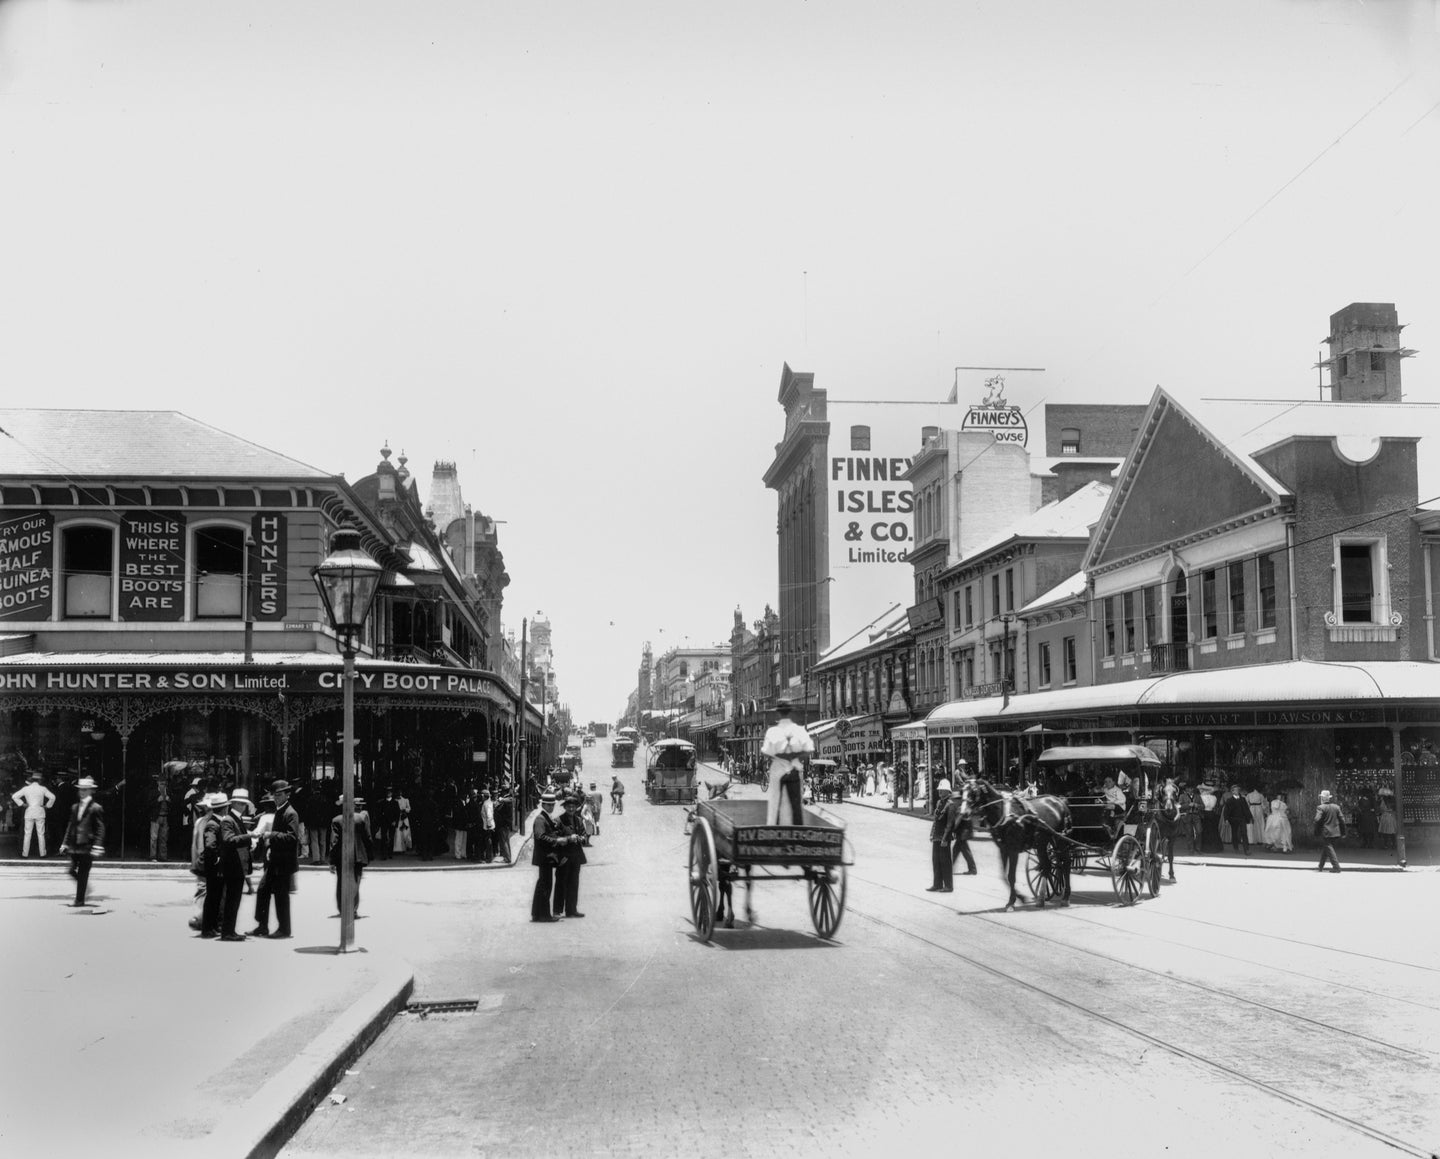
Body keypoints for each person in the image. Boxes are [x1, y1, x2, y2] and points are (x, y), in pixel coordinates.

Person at [251, 779, 304, 939]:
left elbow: (292, 837)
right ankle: (262, 925)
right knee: (263, 890)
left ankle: (284, 929)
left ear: (287, 795)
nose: (276, 797)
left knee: (281, 895)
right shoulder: (280, 811)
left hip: (284, 862)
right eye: (274, 795)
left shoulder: (290, 813)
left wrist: (270, 835)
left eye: (279, 794)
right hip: (275, 859)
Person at [762, 697, 814, 826]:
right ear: (791, 712)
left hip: (778, 769)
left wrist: (780, 756)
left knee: (775, 802)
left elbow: (765, 752)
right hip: (795, 768)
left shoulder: (772, 731)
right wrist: (794, 757)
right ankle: (798, 831)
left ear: (778, 713)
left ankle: (775, 829)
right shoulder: (800, 730)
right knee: (796, 804)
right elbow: (809, 749)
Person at [59, 776, 105, 907]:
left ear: (91, 791)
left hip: (87, 846)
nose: (82, 792)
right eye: (80, 790)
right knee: (70, 870)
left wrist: (97, 845)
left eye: (85, 790)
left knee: (83, 873)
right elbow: (70, 826)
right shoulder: (75, 807)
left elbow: (100, 828)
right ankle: (85, 889)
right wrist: (64, 843)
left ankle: (79, 900)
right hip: (74, 845)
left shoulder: (96, 808)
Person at [215, 792, 254, 940]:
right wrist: (249, 837)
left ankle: (230, 930)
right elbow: (228, 840)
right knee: (232, 900)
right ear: (235, 804)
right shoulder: (229, 820)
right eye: (241, 803)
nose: (243, 806)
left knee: (235, 900)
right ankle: (227, 932)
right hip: (233, 866)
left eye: (244, 804)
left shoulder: (235, 819)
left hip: (237, 865)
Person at [329, 795, 374, 917]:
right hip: (358, 855)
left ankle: (342, 909)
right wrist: (369, 854)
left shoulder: (336, 820)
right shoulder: (360, 818)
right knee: (355, 882)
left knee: (341, 882)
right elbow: (367, 838)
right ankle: (352, 909)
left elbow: (334, 842)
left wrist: (331, 861)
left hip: (341, 857)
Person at [530, 789, 568, 922]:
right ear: (543, 805)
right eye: (548, 805)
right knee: (545, 885)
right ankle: (544, 915)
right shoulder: (540, 819)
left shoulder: (546, 817)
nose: (551, 807)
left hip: (546, 857)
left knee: (543, 884)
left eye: (552, 805)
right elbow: (540, 837)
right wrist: (557, 840)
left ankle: (537, 913)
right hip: (544, 857)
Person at [188, 792, 224, 932]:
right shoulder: (209, 822)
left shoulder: (202, 821)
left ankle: (207, 920)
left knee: (208, 892)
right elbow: (198, 845)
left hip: (203, 861)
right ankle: (206, 920)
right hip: (208, 861)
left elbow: (195, 846)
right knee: (210, 893)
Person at [554, 792, 588, 918]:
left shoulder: (578, 820)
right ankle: (557, 910)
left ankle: (571, 910)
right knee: (561, 884)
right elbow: (555, 839)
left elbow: (584, 835)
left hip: (576, 857)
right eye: (569, 806)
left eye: (573, 806)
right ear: (565, 807)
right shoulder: (558, 821)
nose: (571, 809)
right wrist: (569, 838)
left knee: (574, 884)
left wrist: (582, 838)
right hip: (563, 858)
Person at [12, 771, 55, 859]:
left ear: (32, 779)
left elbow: (14, 796)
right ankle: (42, 853)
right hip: (40, 812)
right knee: (41, 834)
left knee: (27, 834)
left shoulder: (26, 789)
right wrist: (47, 806)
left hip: (29, 812)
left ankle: (25, 854)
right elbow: (52, 797)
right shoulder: (43, 788)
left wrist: (22, 804)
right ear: (40, 780)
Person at [926, 779, 956, 893]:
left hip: (944, 837)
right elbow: (935, 820)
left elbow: (949, 824)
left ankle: (948, 885)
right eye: (940, 790)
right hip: (937, 836)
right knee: (936, 861)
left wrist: (945, 838)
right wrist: (932, 833)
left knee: (945, 862)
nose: (940, 792)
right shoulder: (939, 803)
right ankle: (937, 884)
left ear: (948, 791)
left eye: (942, 790)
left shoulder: (950, 805)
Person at [951, 774, 978, 876]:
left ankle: (973, 869)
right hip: (963, 830)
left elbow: (959, 818)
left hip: (964, 830)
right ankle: (950, 867)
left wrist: (952, 828)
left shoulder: (963, 805)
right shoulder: (964, 804)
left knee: (964, 850)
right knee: (957, 850)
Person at [1314, 789, 1344, 873]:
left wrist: (1316, 830)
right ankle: (1320, 866)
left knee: (1329, 848)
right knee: (1326, 848)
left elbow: (1317, 819)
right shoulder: (1336, 807)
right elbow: (1342, 820)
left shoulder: (1321, 807)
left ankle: (1336, 867)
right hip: (1335, 832)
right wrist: (1343, 832)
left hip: (1326, 831)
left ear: (1322, 798)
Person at [1221, 784, 1252, 855]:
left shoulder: (1243, 799)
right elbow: (1226, 810)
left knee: (1244, 833)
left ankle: (1246, 849)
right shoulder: (1230, 800)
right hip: (1233, 819)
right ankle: (1236, 847)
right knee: (1234, 833)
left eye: (1238, 790)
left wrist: (1249, 817)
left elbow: (1246, 809)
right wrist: (1226, 819)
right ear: (1232, 791)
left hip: (1242, 819)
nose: (1237, 791)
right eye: (1236, 790)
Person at [478, 789, 496, 863]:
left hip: (487, 826)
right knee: (488, 842)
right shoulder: (488, 802)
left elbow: (489, 815)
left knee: (487, 842)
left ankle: (489, 858)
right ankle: (489, 857)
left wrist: (488, 825)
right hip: (488, 825)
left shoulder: (486, 804)